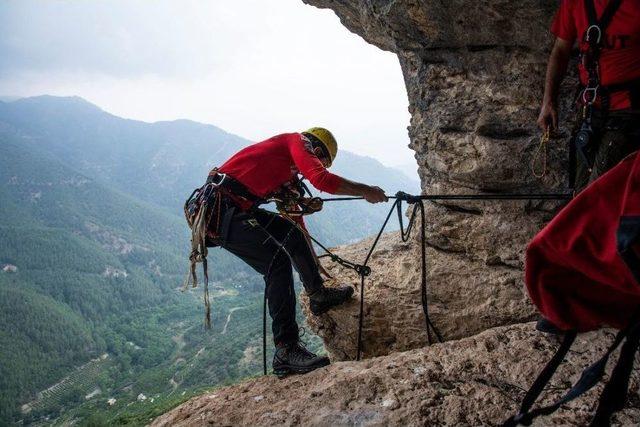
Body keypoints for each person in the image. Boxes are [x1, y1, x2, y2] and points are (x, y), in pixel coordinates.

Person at [202, 127, 387, 376]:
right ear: (316, 150)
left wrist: (313, 264)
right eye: (318, 162)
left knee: (292, 235)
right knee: (275, 262)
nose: (307, 169)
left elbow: (295, 222)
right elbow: (321, 180)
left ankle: (317, 295)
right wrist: (366, 190)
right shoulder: (296, 141)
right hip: (221, 211)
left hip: (232, 208)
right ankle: (286, 349)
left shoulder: (284, 169)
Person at [537, 0, 640, 193]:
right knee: (579, 191)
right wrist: (548, 101)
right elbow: (560, 50)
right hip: (590, 110)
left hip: (629, 112)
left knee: (596, 193)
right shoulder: (575, 2)